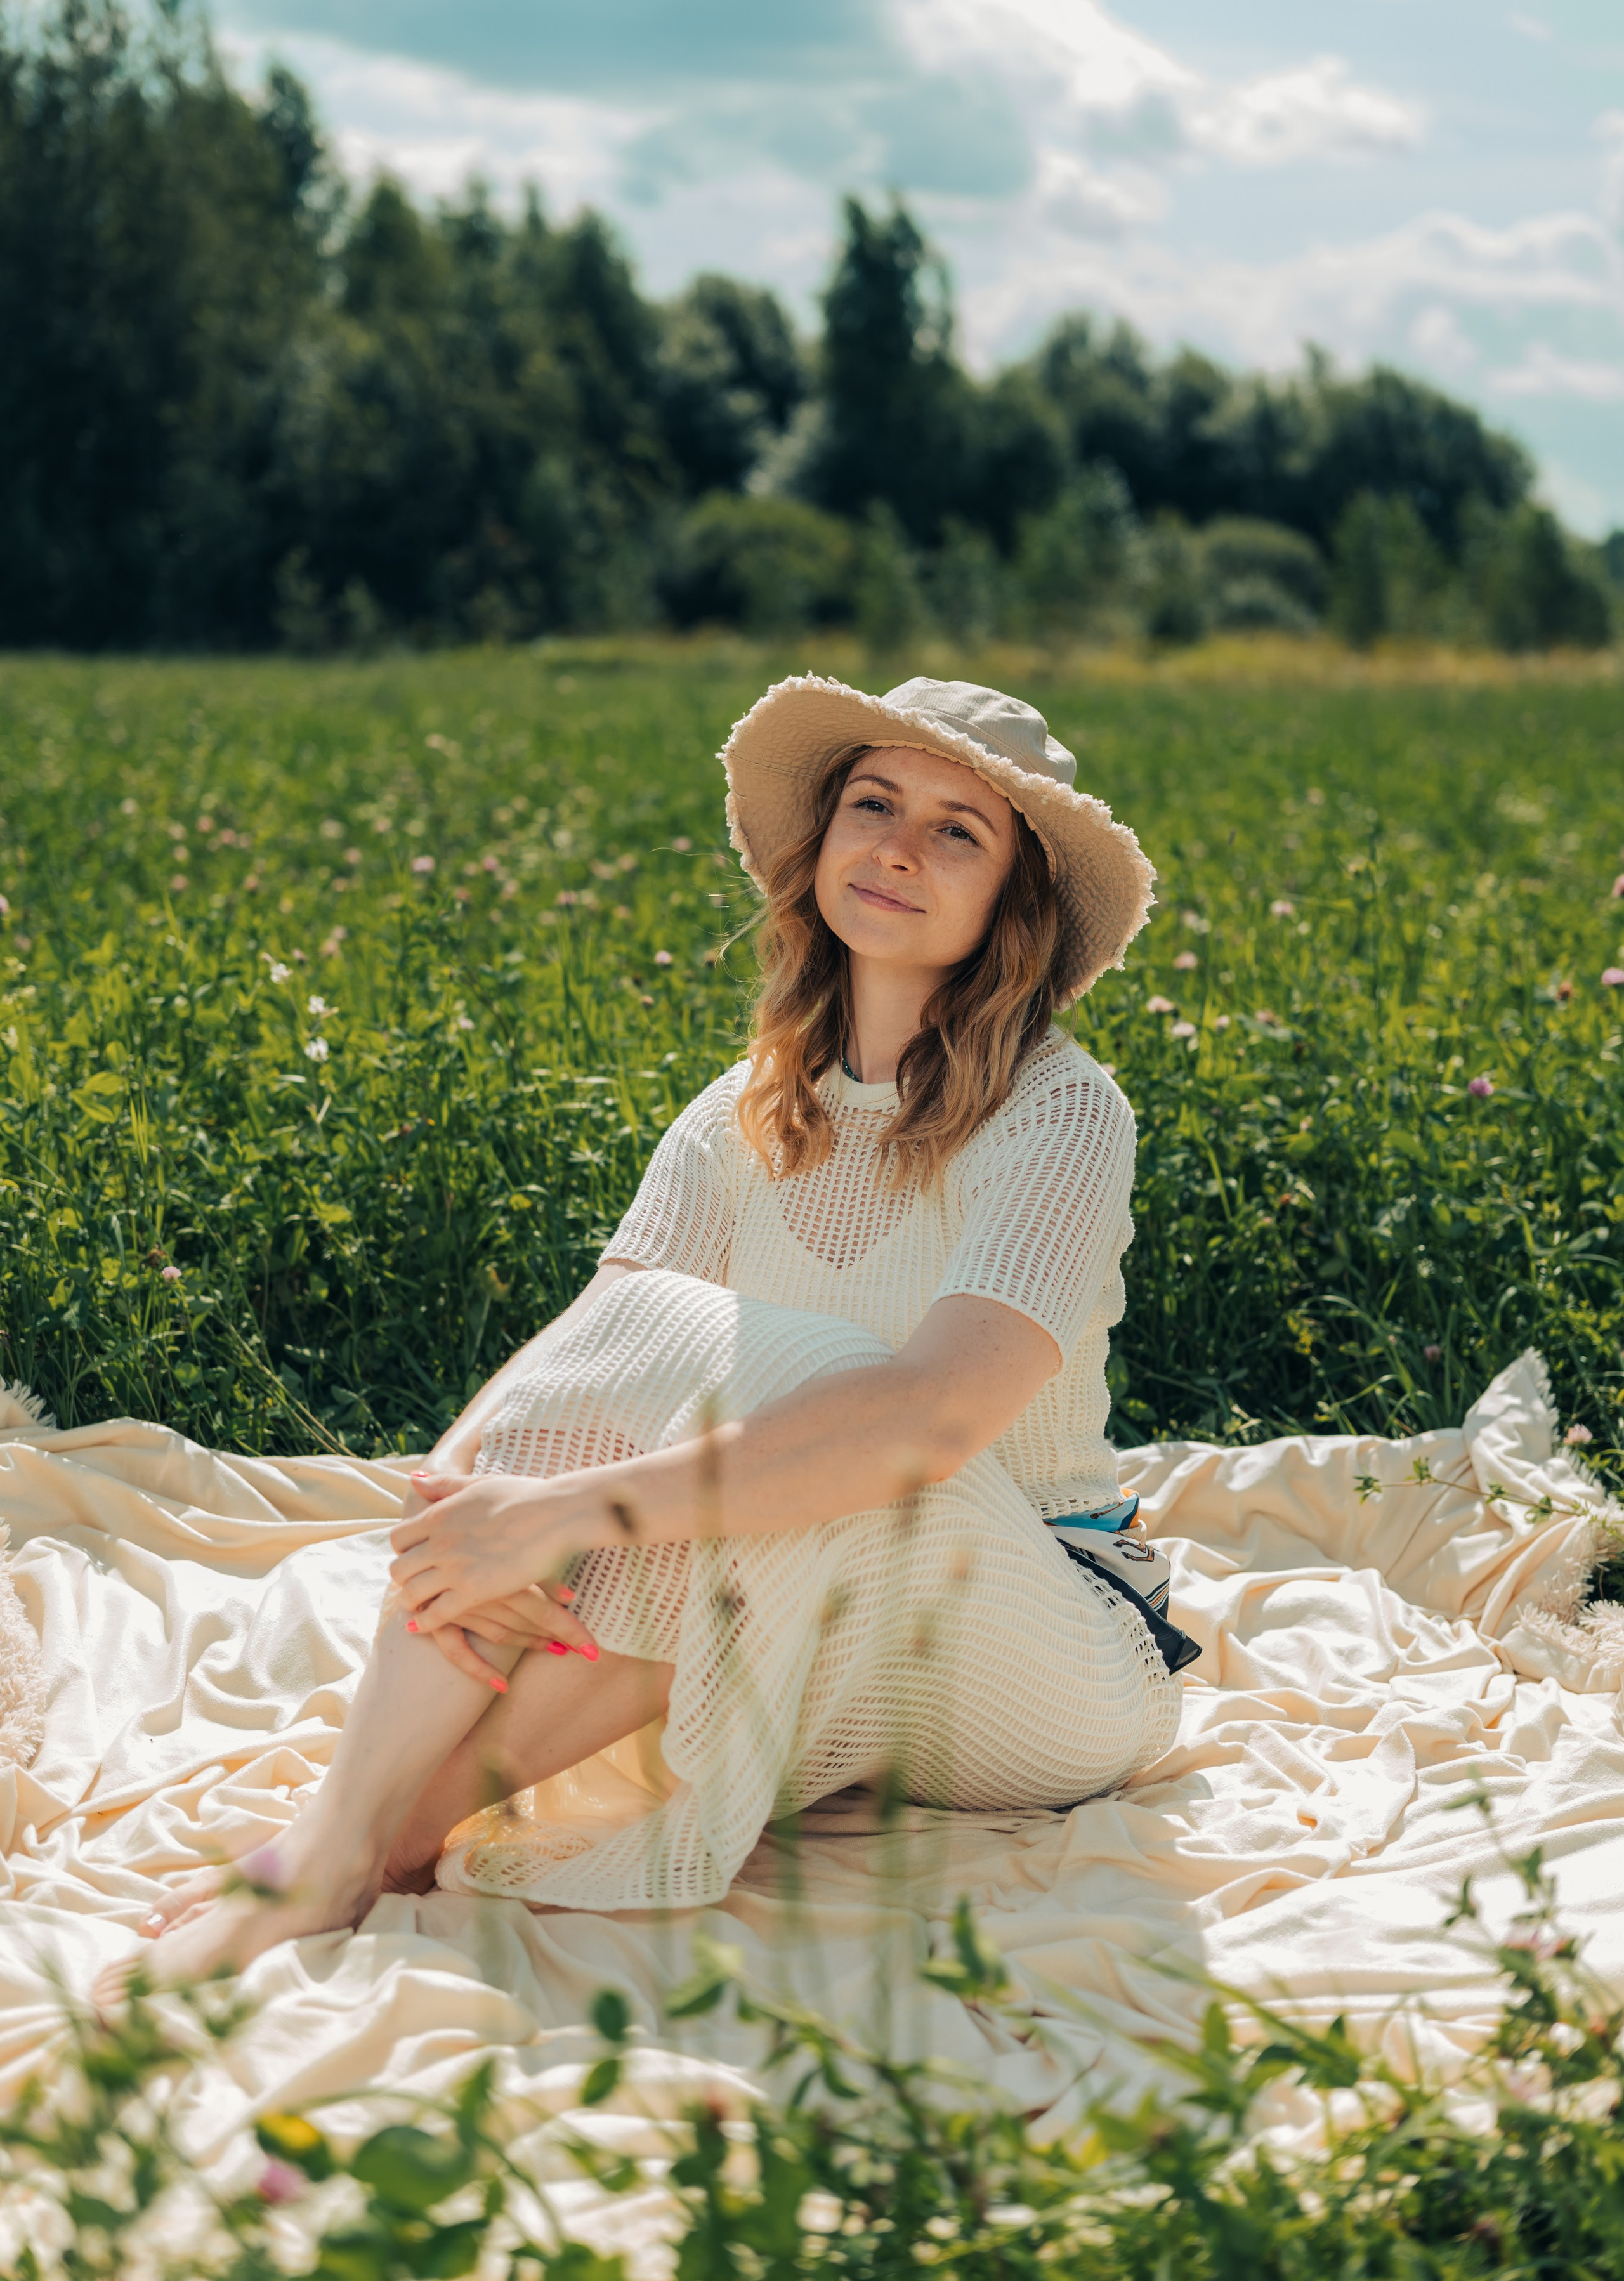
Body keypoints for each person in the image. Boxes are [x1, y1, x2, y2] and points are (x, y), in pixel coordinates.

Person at [121, 671, 1182, 1989]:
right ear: (821, 846)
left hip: (1045, 1648)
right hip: (815, 1607)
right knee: (656, 1403)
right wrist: (464, 1524)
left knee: (817, 1418)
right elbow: (597, 1365)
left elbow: (925, 1423)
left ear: (1011, 900)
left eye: (957, 828)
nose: (899, 846)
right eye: (872, 803)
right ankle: (353, 1832)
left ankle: (362, 1842)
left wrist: (562, 1521)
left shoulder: (1062, 1114)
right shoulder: (736, 1110)